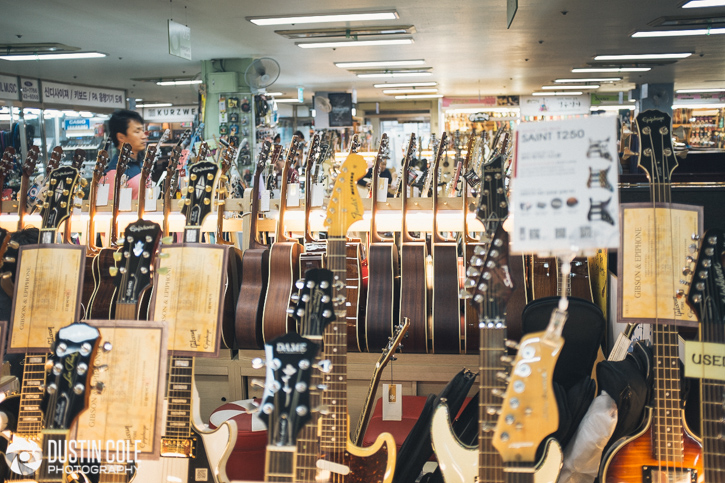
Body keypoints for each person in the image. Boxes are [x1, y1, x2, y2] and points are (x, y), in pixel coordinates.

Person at [104, 109, 148, 199]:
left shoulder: (139, 163)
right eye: (137, 131)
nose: (143, 136)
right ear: (121, 137)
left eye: (142, 130)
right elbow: (107, 209)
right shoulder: (113, 174)